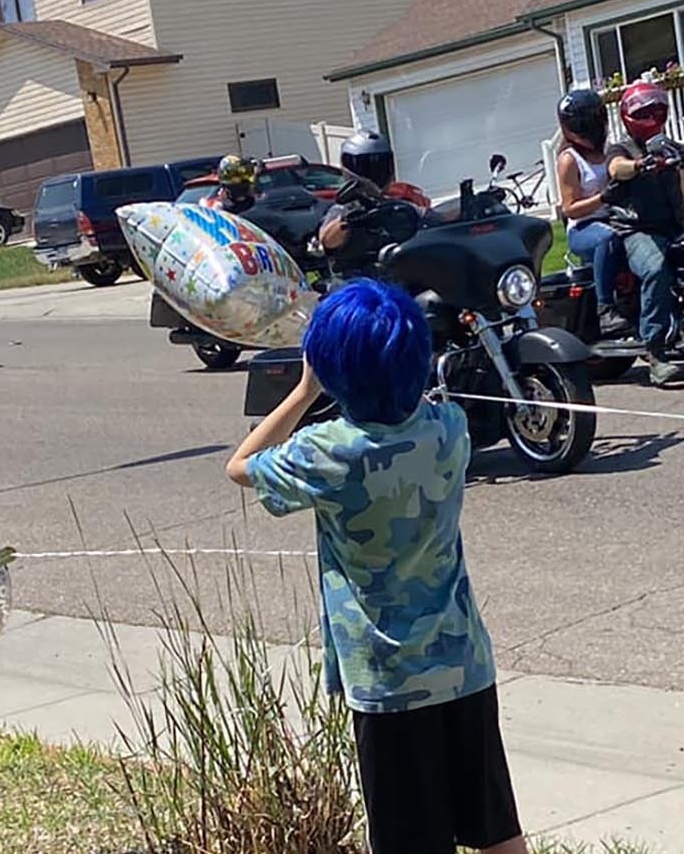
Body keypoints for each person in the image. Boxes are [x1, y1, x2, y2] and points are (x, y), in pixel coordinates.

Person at [225, 278, 526, 854]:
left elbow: (242, 466)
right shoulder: (448, 429)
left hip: (389, 684)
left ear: (335, 372)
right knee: (496, 828)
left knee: (411, 839)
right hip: (464, 663)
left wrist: (305, 391)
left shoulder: (329, 453)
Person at [603, 81, 684, 386]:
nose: (652, 115)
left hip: (676, 225)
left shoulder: (667, 144)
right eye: (645, 111)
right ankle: (656, 353)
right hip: (635, 230)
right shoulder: (622, 149)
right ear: (629, 116)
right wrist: (639, 164)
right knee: (656, 268)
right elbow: (616, 169)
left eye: (657, 109)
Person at [554, 88, 631, 338]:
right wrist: (603, 198)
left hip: (617, 219)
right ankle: (605, 308)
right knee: (607, 238)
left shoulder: (610, 151)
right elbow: (569, 208)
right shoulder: (569, 160)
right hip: (584, 228)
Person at [318, 131, 428, 272]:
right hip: (358, 285)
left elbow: (435, 219)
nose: (375, 172)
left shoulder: (400, 207)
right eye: (365, 166)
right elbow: (327, 241)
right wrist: (349, 220)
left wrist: (460, 211)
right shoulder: (344, 210)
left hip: (402, 281)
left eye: (380, 165)